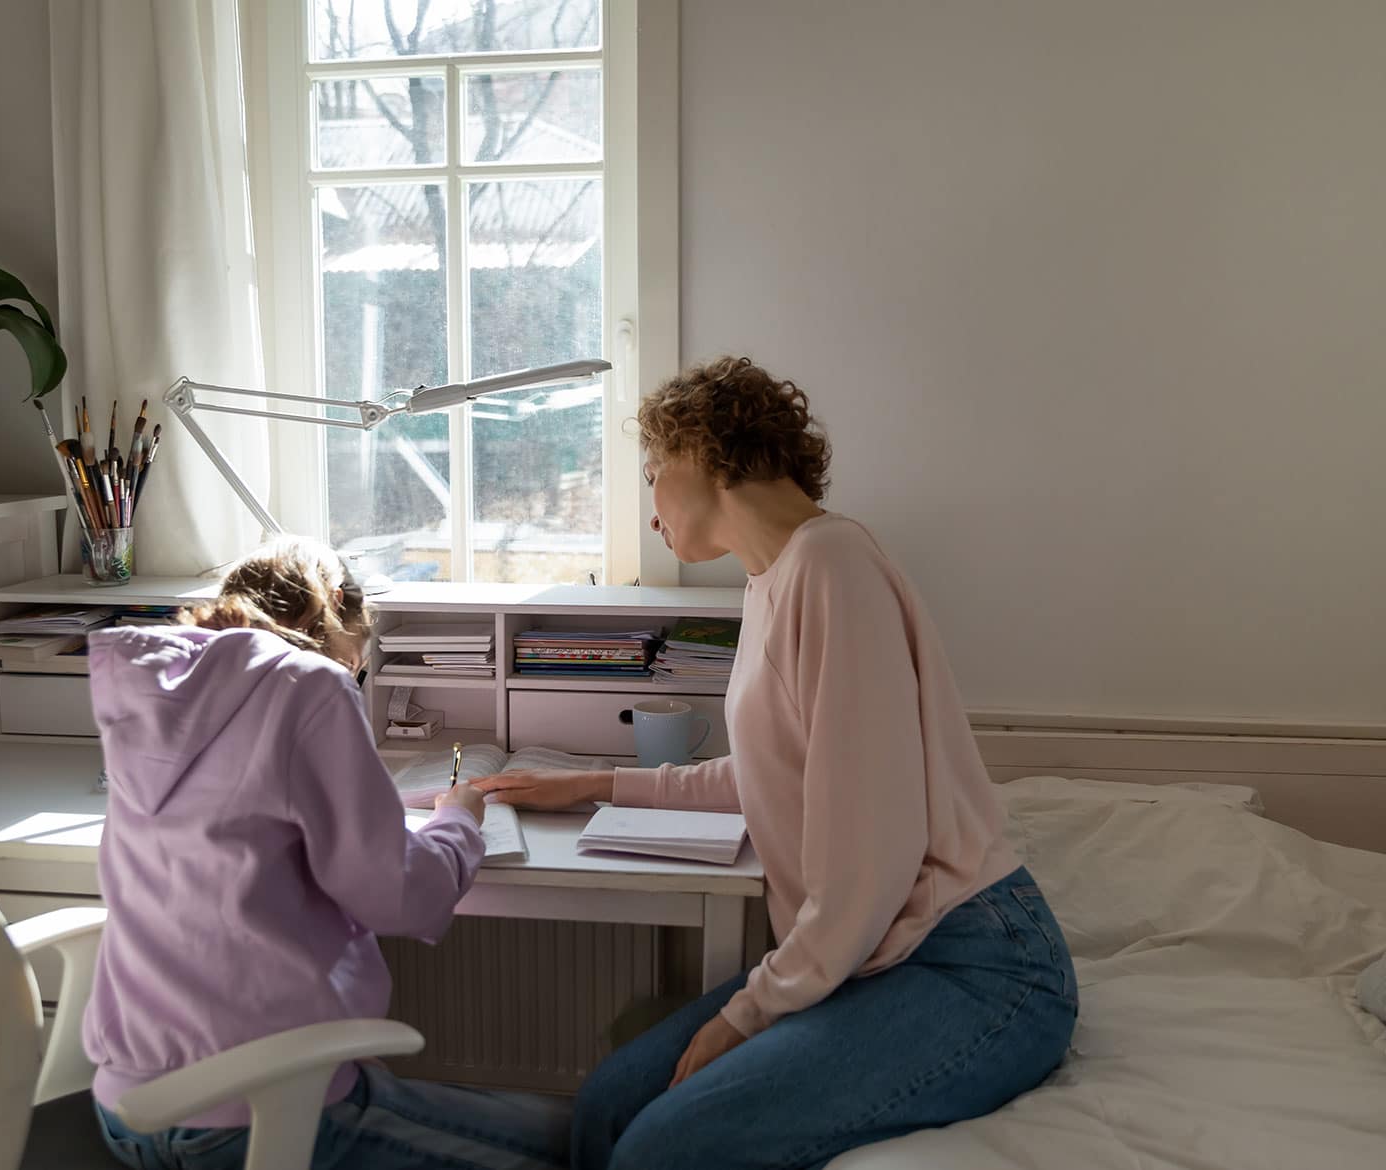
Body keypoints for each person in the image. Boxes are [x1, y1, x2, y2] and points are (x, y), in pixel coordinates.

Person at [476, 357, 1078, 1170]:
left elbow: (872, 857)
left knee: (661, 1149)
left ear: (709, 456)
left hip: (970, 963)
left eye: (655, 474)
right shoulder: (770, 582)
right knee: (609, 1107)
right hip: (873, 950)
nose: (650, 509)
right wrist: (590, 785)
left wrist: (750, 1013)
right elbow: (766, 776)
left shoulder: (833, 565)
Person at [84, 538, 570, 1170]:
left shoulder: (160, 699)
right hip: (258, 1111)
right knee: (583, 1145)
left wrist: (384, 808)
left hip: (129, 1109)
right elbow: (398, 897)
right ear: (340, 608)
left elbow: (248, 824)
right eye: (360, 663)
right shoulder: (308, 682)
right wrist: (458, 822)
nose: (355, 674)